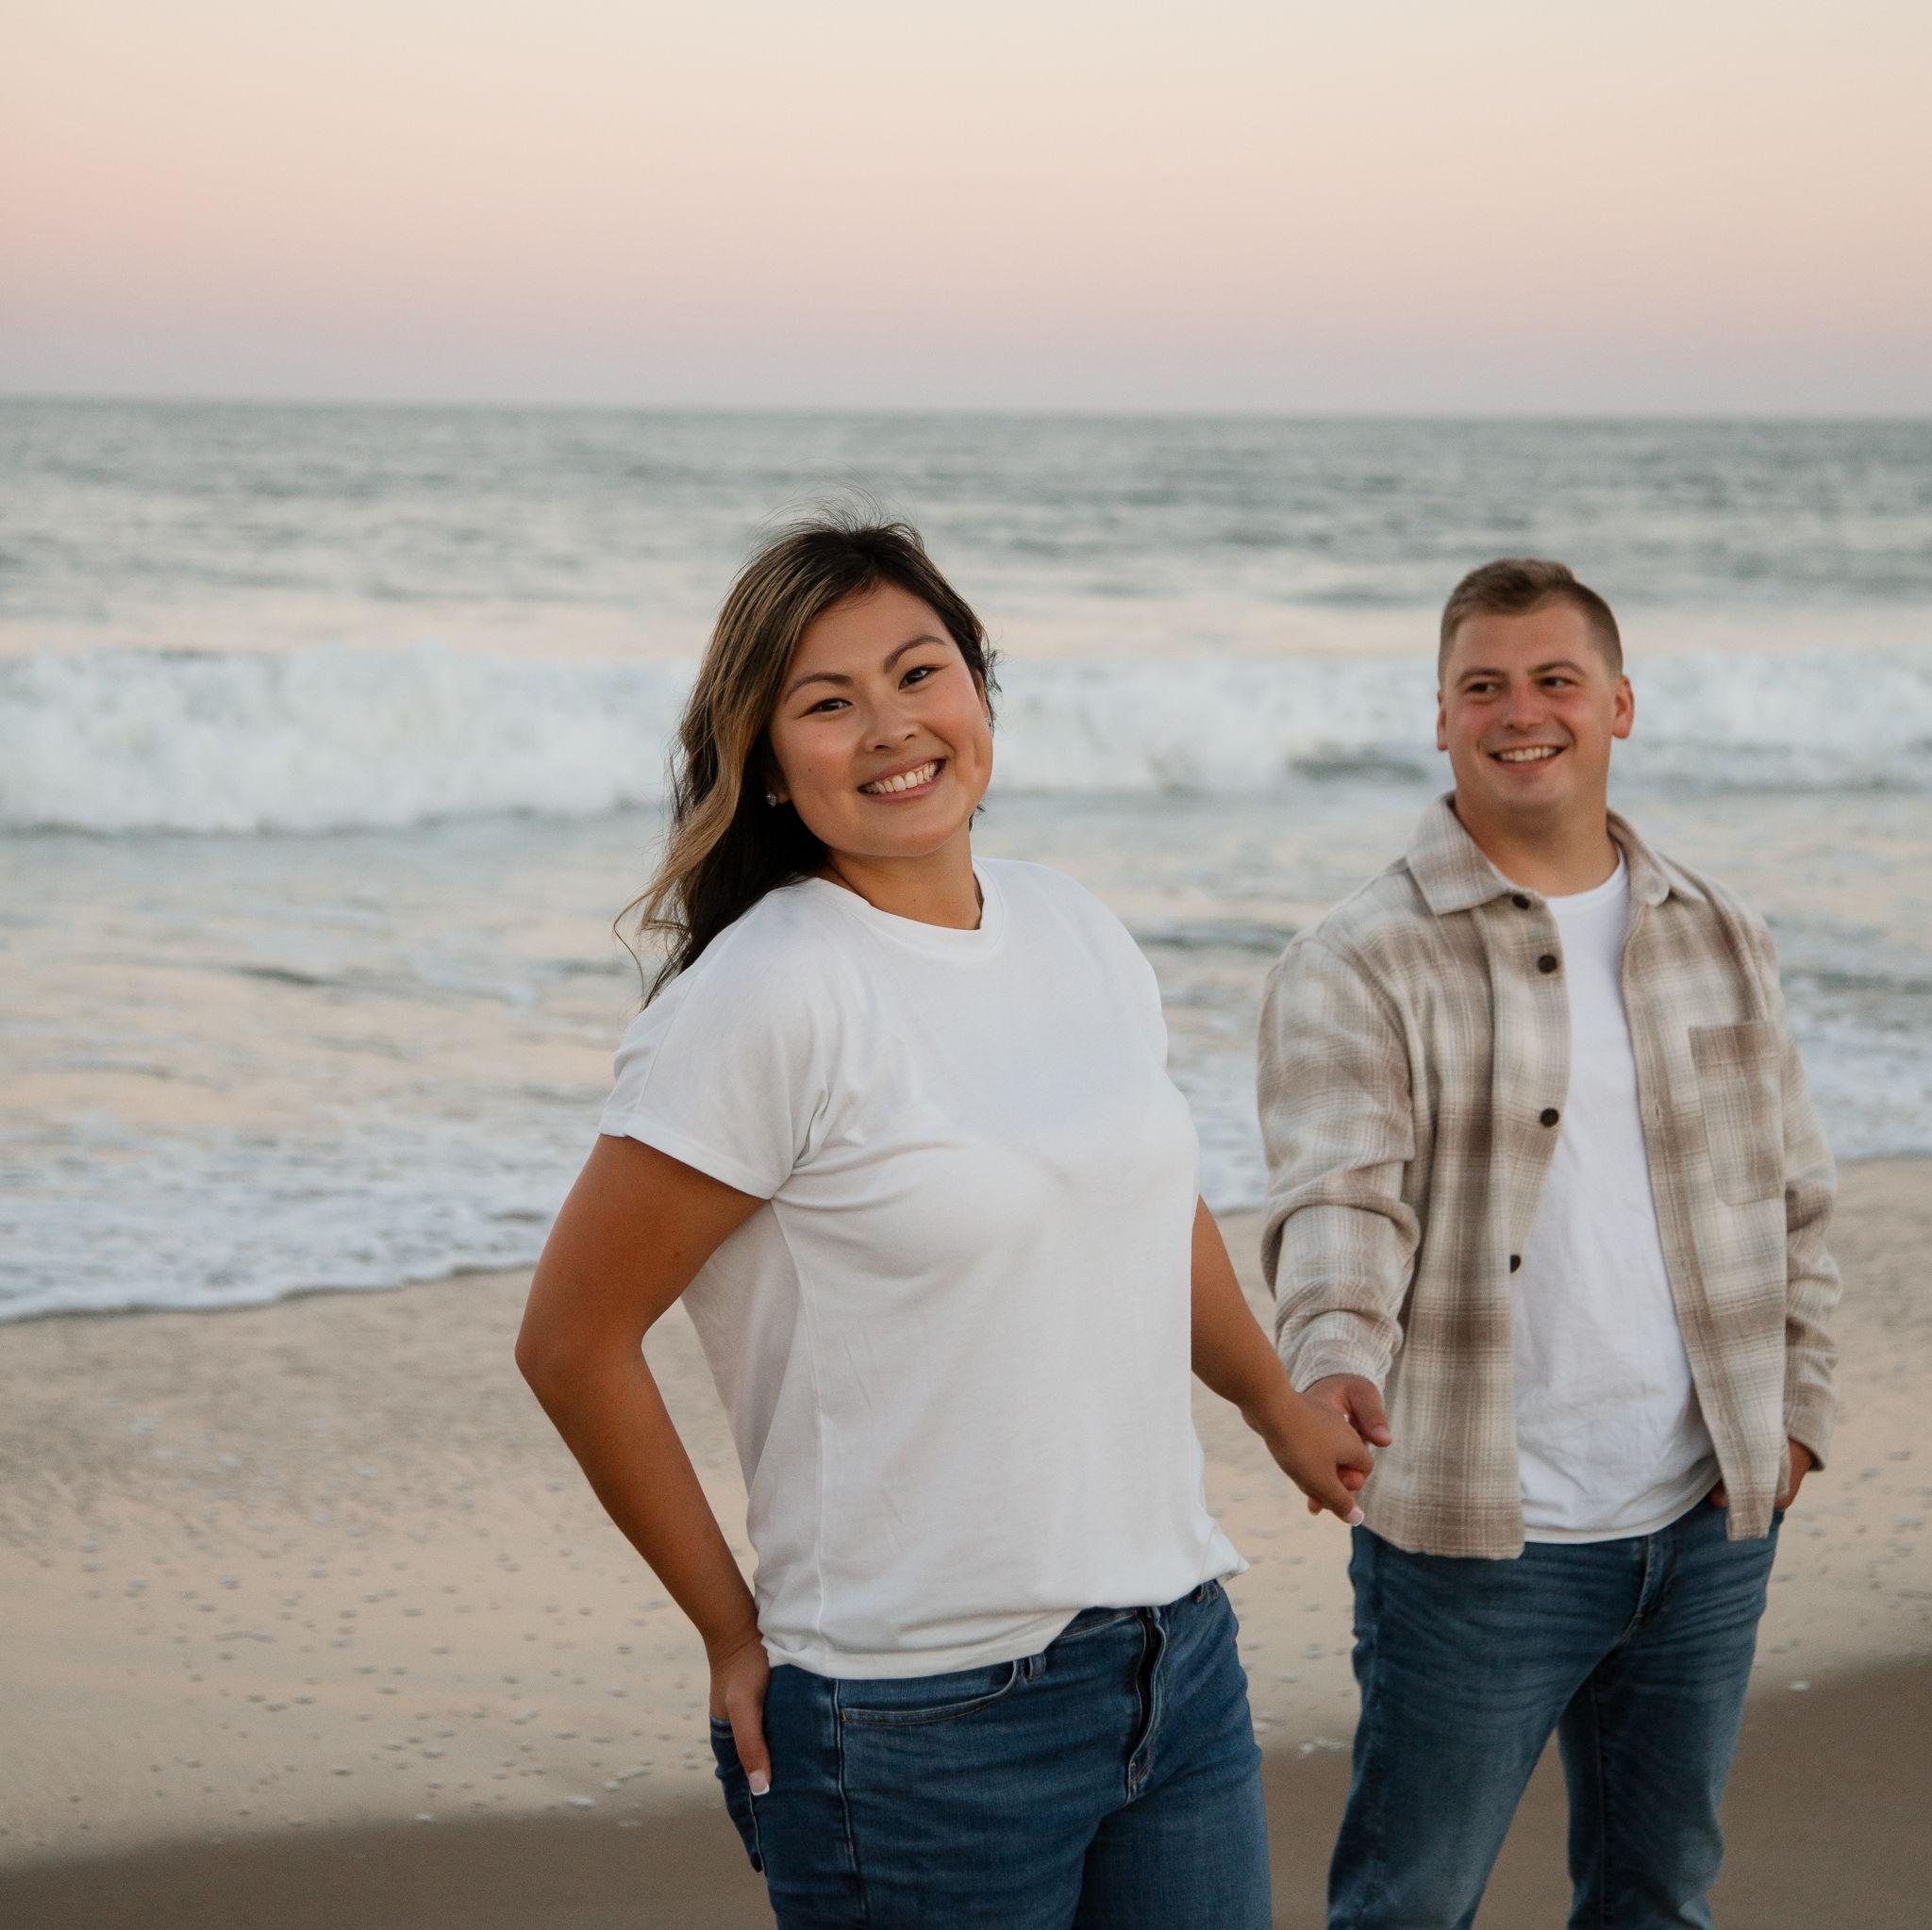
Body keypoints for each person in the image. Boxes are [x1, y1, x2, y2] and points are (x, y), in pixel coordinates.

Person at [517, 513, 1372, 1929]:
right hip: (913, 1720)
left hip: (1177, 1660)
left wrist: (1275, 1401)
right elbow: (572, 1339)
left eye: (921, 674)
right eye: (827, 701)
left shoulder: (1073, 923)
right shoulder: (767, 995)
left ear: (980, 691)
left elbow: (1147, 1202)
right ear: (770, 763)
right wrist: (734, 1630)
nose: (890, 728)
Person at [1257, 558, 1840, 1930]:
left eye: (1555, 679)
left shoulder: (1722, 931)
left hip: (1707, 1522)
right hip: (1476, 1539)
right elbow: (1338, 1199)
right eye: (1484, 686)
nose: (1522, 711)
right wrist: (1332, 1357)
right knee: (1409, 1906)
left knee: (1660, 1897)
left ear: (1619, 704)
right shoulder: (1358, 958)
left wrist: (1796, 1416)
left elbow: (1794, 1194)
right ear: (1442, 717)